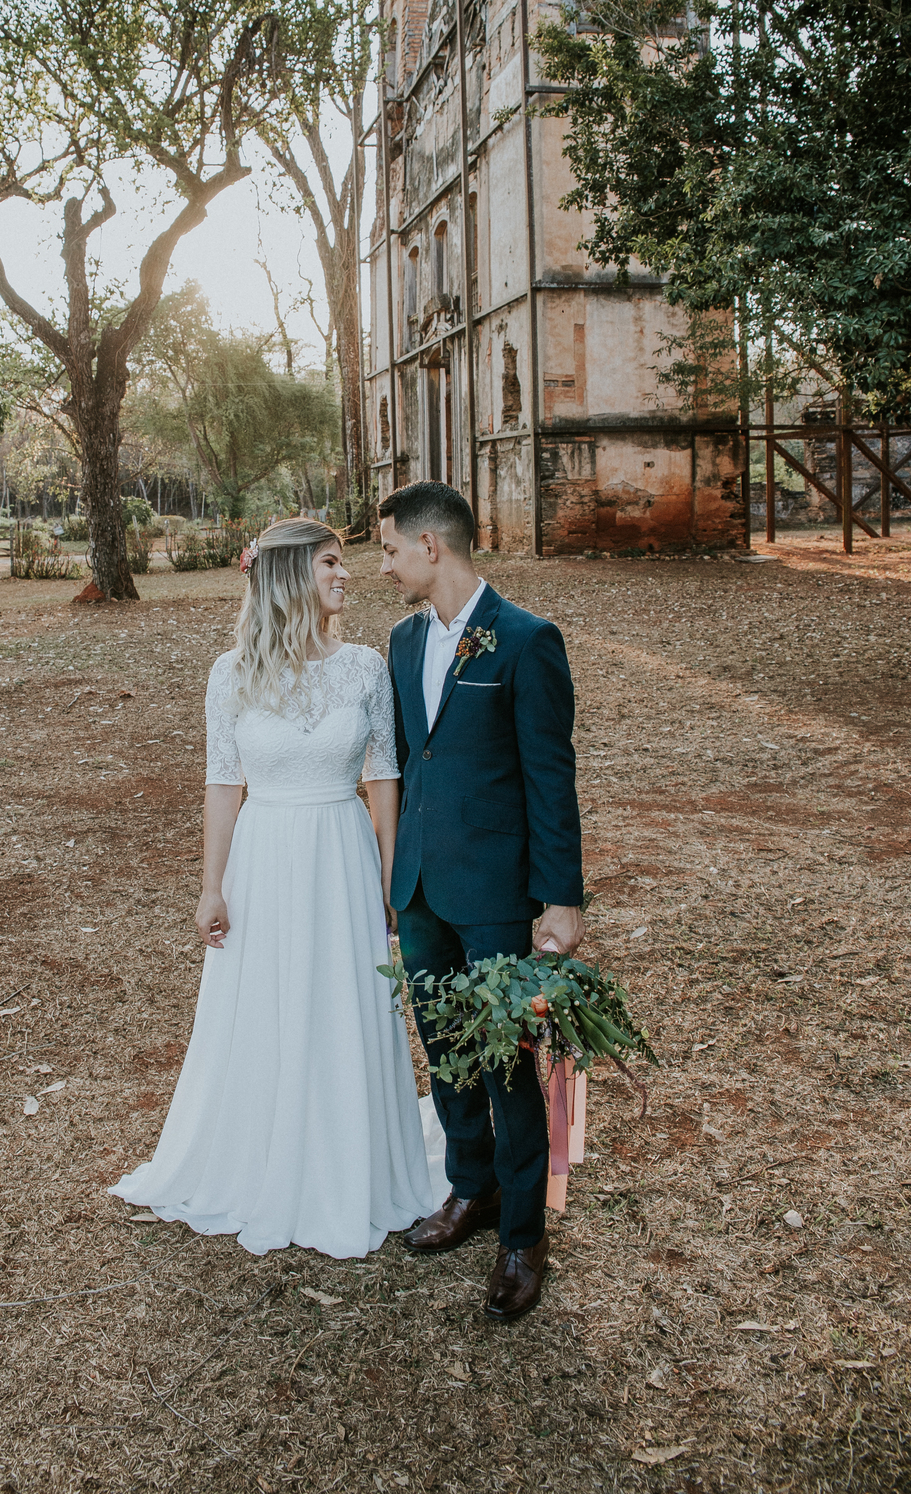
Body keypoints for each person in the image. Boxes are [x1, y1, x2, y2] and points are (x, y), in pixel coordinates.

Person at [111, 518, 433, 1257]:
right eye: (330, 563)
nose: (345, 575)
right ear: (289, 576)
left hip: (342, 855)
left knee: (343, 999)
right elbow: (223, 785)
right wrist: (211, 887)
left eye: (344, 563)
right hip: (264, 859)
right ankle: (262, 1154)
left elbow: (384, 776)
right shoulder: (231, 674)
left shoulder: (365, 668)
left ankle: (349, 1157)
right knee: (265, 1003)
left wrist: (389, 873)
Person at [378, 481, 585, 1322]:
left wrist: (561, 899)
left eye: (390, 549)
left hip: (495, 892)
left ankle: (523, 1235)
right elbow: (406, 761)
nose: (384, 566)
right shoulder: (401, 641)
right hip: (421, 887)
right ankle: (471, 1188)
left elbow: (551, 778)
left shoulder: (527, 640)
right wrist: (393, 877)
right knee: (444, 1048)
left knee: (506, 1062)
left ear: (431, 546)